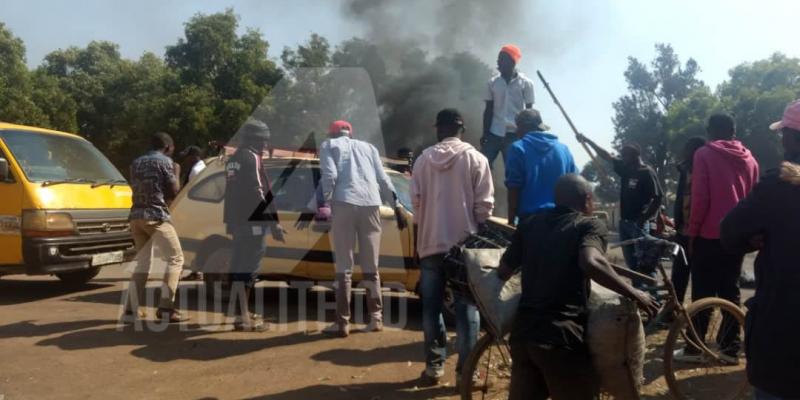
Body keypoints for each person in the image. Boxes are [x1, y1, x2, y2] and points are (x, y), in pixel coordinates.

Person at [498, 174, 658, 400]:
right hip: (560, 339)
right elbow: (591, 262)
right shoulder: (589, 224)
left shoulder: (530, 223)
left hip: (523, 337)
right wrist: (636, 294)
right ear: (588, 199)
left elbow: (503, 271)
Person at [721, 99, 800, 400]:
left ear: (792, 137)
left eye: (784, 134)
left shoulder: (780, 184)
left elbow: (730, 231)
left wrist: (751, 237)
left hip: (784, 342)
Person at [411, 108, 494, 387]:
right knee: (467, 309)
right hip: (463, 249)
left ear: (438, 129)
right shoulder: (476, 158)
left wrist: (419, 242)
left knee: (431, 309)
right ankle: (466, 374)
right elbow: (484, 207)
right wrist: (478, 230)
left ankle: (434, 369)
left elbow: (417, 205)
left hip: (430, 244)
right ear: (462, 130)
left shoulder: (422, 161)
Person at [675, 114, 759, 363]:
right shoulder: (750, 159)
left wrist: (692, 232)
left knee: (702, 293)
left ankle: (695, 348)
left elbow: (701, 198)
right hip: (737, 237)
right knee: (729, 291)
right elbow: (753, 202)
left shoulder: (704, 154)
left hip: (709, 235)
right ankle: (730, 349)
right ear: (733, 131)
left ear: (711, 130)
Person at [318, 120, 407, 337]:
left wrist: (325, 204)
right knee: (371, 266)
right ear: (351, 132)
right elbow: (383, 178)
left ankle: (342, 322)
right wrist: (397, 204)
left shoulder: (328, 146)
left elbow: (329, 176)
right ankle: (376, 319)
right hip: (371, 204)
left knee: (344, 266)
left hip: (344, 203)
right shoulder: (369, 148)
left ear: (331, 133)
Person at [223, 120, 287, 332]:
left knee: (239, 266)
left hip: (237, 221)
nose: (265, 145)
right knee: (248, 269)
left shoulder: (233, 159)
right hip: (253, 223)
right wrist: (274, 224)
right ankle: (242, 319)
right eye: (264, 140)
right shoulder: (251, 157)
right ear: (255, 139)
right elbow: (258, 192)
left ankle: (239, 312)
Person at [577, 134, 663, 287]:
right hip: (624, 223)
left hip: (639, 226)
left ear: (635, 155)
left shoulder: (646, 172)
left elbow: (658, 197)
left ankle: (653, 297)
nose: (621, 158)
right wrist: (588, 141)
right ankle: (639, 296)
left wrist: (644, 218)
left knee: (645, 265)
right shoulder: (626, 169)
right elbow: (606, 155)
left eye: (625, 155)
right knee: (631, 265)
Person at [122, 132, 188, 324]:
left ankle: (130, 310)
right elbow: (174, 191)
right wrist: (176, 171)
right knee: (176, 258)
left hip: (136, 217)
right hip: (156, 217)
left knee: (143, 264)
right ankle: (166, 308)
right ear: (168, 147)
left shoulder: (136, 163)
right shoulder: (166, 162)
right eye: (173, 148)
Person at [505, 109, 577, 225]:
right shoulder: (564, 150)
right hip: (562, 223)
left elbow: (514, 188)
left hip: (531, 224)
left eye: (517, 127)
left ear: (523, 127)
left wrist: (511, 223)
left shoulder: (517, 148)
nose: (516, 132)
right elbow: (575, 186)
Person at [481, 44, 535, 170]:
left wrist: (528, 138)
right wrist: (485, 133)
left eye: (501, 59)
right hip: (494, 133)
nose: (498, 62)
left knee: (514, 171)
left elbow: (529, 113)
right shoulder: (492, 83)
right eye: (498, 59)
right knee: (481, 167)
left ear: (511, 61)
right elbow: (488, 110)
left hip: (515, 135)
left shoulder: (526, 83)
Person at [671, 137, 706, 304]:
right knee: (678, 274)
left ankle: (697, 314)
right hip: (682, 231)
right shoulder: (684, 171)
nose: (685, 152)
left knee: (700, 278)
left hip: (700, 233)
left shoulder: (706, 171)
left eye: (688, 149)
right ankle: (674, 311)